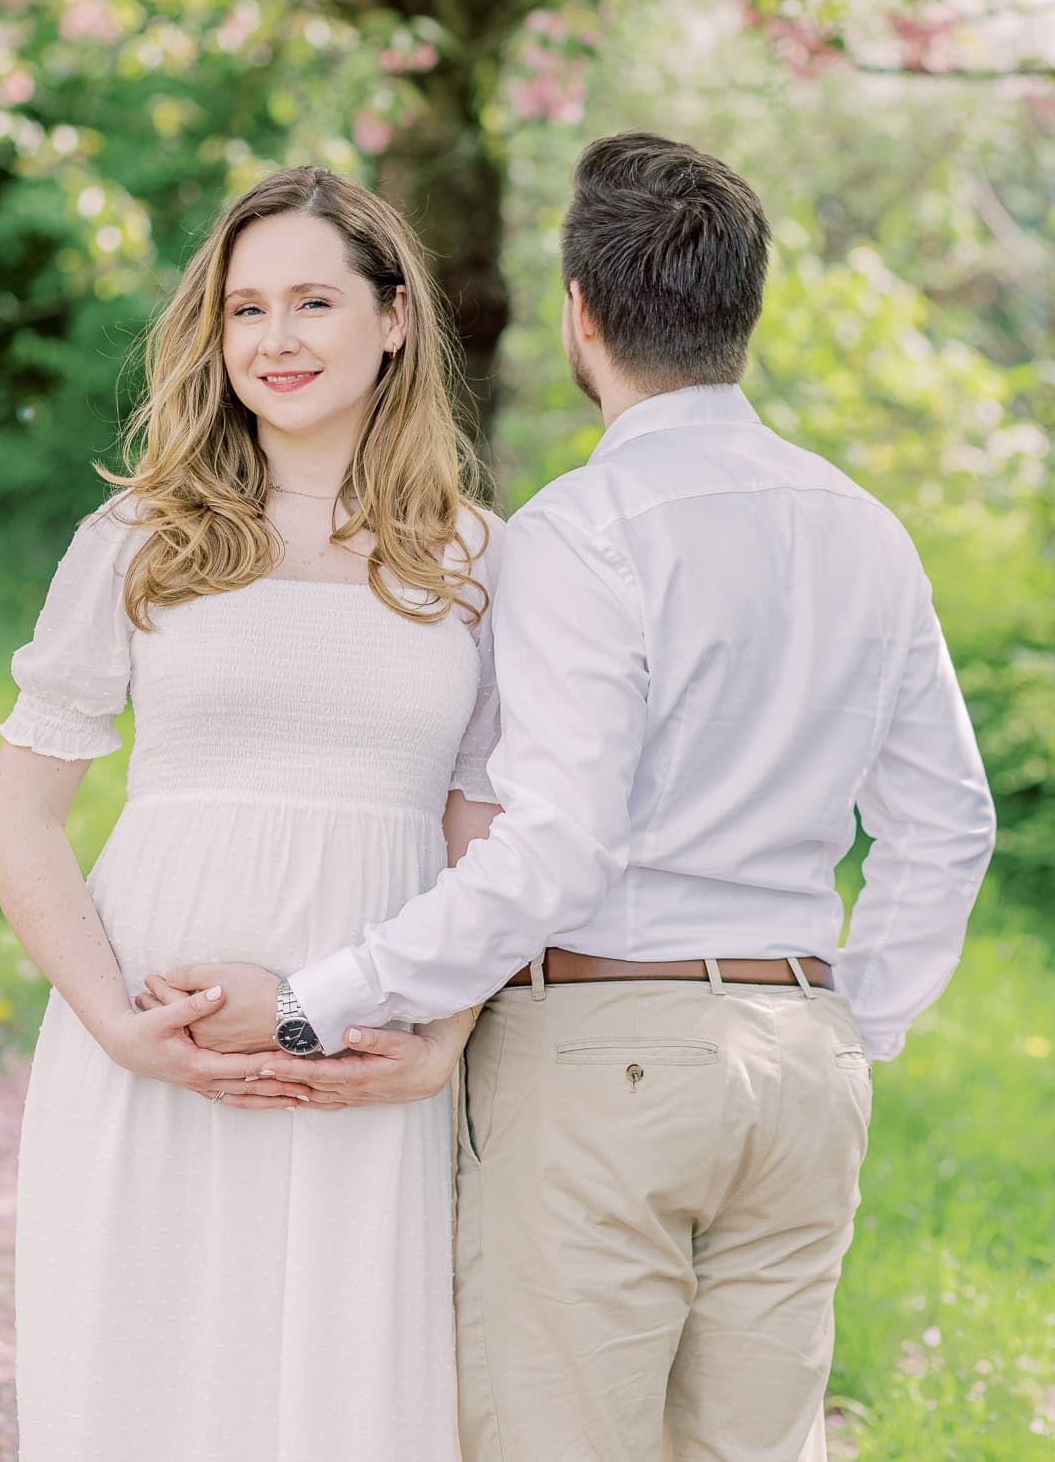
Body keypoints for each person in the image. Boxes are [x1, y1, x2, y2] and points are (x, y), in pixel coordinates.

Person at [204, 132, 996, 1462]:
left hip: (604, 1048)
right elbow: (944, 822)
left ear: (579, 313)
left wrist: (310, 1001)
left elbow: (555, 846)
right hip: (800, 1052)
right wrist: (862, 1019)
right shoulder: (864, 527)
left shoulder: (586, 528)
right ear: (743, 309)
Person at [0, 166, 504, 1462]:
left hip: (366, 1055)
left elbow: (488, 834)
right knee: (139, 1390)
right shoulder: (139, 536)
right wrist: (113, 1022)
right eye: (246, 309)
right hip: (155, 1039)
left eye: (312, 302)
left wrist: (440, 1035)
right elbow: (21, 819)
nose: (274, 340)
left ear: (392, 320)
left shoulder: (477, 559)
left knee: (348, 1402)